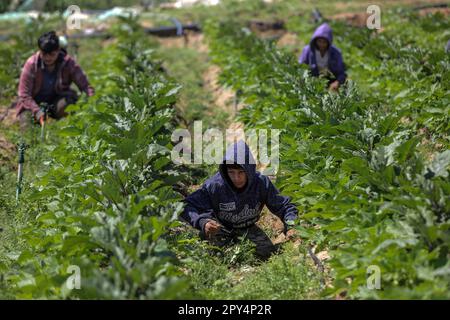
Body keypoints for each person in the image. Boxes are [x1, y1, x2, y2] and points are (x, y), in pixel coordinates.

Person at [181, 140, 299, 260]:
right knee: (216, 257)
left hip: (247, 228)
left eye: (241, 172)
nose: (236, 178)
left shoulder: (261, 183)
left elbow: (284, 206)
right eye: (231, 172)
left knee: (268, 254)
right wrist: (202, 222)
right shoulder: (215, 186)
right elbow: (186, 206)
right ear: (225, 171)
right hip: (219, 229)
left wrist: (291, 224)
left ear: (249, 170)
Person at [15, 31, 94, 129]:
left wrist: (92, 103)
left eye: (52, 54)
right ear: (39, 50)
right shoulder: (31, 64)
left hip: (56, 101)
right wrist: (38, 111)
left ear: (58, 50)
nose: (48, 58)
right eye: (44, 54)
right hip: (34, 103)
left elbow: (85, 85)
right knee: (27, 125)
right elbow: (24, 95)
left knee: (68, 105)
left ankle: (64, 130)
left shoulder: (68, 63)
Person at [299, 23, 346, 91]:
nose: (321, 44)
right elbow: (300, 68)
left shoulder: (336, 53)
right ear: (315, 41)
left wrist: (337, 82)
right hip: (312, 81)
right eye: (319, 41)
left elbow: (341, 72)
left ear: (329, 42)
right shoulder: (307, 51)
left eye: (324, 42)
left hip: (330, 82)